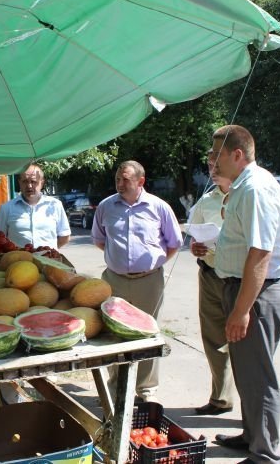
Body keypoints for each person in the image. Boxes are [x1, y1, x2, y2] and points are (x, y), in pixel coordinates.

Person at [211, 125, 280, 464]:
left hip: (255, 295)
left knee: (258, 377)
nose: (211, 160)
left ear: (237, 154)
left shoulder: (255, 188)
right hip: (245, 291)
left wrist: (241, 310)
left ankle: (265, 455)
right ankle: (251, 436)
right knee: (247, 373)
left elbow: (260, 254)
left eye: (216, 153)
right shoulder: (244, 186)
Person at [91, 160, 183, 403]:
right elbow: (99, 240)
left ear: (141, 181)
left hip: (149, 282)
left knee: (148, 333)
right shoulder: (106, 206)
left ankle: (146, 390)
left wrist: (152, 264)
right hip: (114, 280)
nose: (120, 184)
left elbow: (174, 243)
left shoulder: (159, 207)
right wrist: (120, 260)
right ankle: (115, 389)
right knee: (114, 334)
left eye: (126, 179)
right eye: (117, 179)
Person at [187, 150, 234, 415]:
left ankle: (253, 412)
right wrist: (196, 247)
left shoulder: (243, 196)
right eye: (209, 165)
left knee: (243, 343)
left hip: (238, 279)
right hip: (210, 274)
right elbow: (195, 237)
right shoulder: (205, 201)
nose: (212, 170)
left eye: (217, 165)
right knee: (214, 339)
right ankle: (220, 399)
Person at [0, 163, 71, 249]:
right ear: (19, 183)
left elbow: (65, 236)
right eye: (25, 181)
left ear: (42, 183)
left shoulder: (54, 205)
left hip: (48, 257)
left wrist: (48, 252)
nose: (29, 186)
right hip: (19, 257)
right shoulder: (6, 208)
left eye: (33, 182)